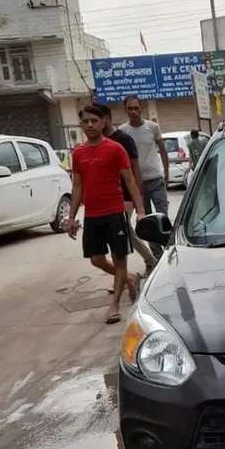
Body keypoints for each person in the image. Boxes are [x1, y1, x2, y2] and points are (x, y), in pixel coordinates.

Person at [67, 105, 146, 325]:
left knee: (120, 260)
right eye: (85, 121)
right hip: (92, 215)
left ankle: (114, 305)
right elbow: (77, 186)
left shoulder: (115, 149)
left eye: (94, 121)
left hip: (114, 213)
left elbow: (129, 180)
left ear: (104, 122)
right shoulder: (78, 153)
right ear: (81, 124)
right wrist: (72, 217)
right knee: (96, 260)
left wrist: (140, 211)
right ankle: (129, 279)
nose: (90, 125)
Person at [98, 105, 157, 275]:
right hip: (109, 196)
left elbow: (135, 168)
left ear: (106, 119)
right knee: (122, 233)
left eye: (96, 120)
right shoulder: (100, 142)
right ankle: (144, 263)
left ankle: (146, 262)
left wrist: (137, 193)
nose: (91, 125)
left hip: (125, 193)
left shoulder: (123, 139)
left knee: (123, 232)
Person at [119, 95, 169, 259]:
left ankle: (170, 251)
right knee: (147, 222)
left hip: (156, 179)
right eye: (130, 108)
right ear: (125, 110)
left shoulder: (153, 127)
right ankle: (157, 256)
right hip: (137, 184)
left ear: (141, 108)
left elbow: (162, 150)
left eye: (136, 108)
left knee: (163, 218)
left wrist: (166, 173)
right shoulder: (122, 131)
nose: (133, 111)